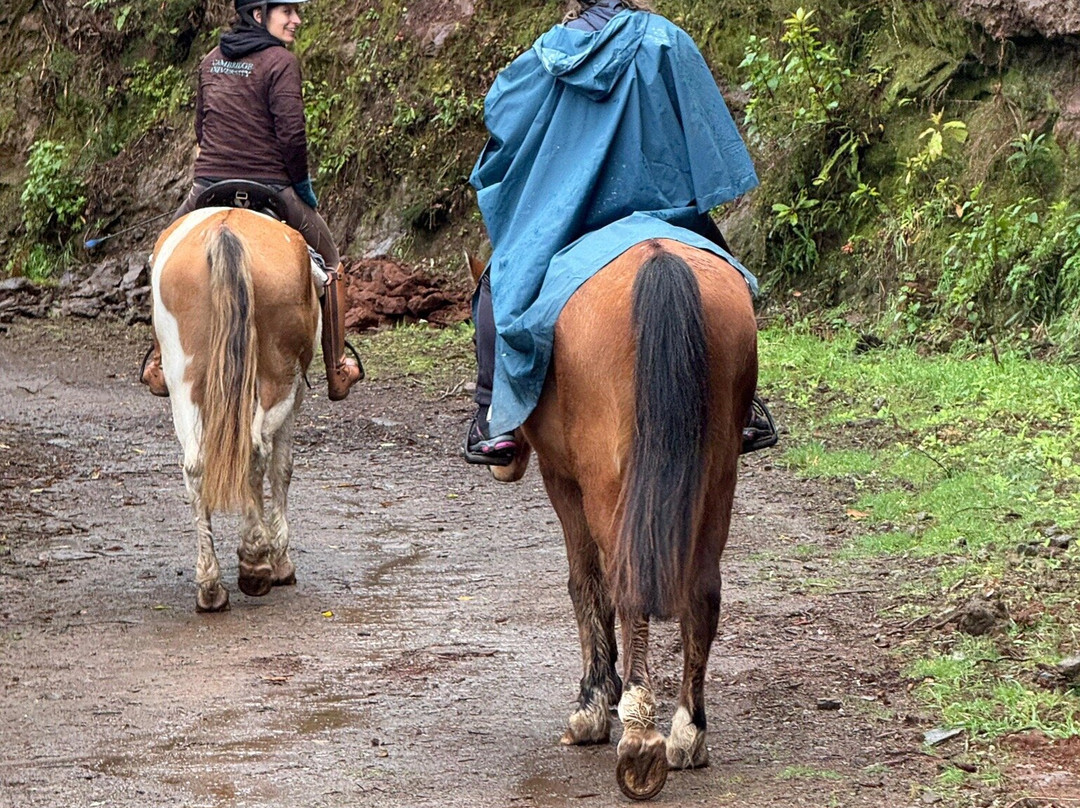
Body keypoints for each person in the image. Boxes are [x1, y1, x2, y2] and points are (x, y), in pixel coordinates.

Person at [463, 0, 777, 465]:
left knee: (497, 283)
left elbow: (504, 125)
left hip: (570, 222)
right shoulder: (666, 40)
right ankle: (744, 406)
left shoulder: (546, 55)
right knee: (724, 276)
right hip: (663, 215)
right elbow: (707, 129)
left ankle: (494, 418)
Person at [140, 0, 361, 401]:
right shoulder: (281, 61)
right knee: (330, 263)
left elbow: (201, 128)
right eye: (287, 12)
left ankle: (157, 361)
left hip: (207, 186)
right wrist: (301, 187)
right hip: (271, 186)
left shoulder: (210, 61)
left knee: (159, 257)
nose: (296, 20)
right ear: (258, 16)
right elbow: (292, 137)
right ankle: (336, 369)